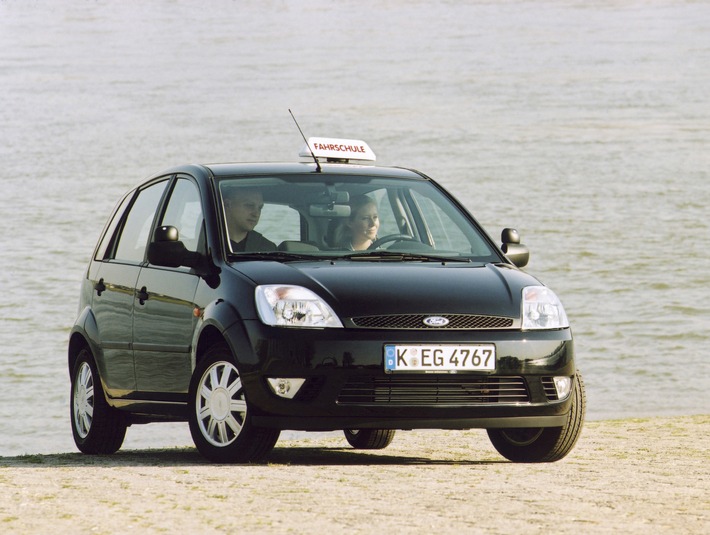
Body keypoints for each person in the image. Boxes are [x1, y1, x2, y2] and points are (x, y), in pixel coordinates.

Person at [223, 188, 276, 252]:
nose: (256, 214)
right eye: (249, 205)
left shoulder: (268, 249)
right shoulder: (209, 242)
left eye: (260, 208)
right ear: (227, 205)